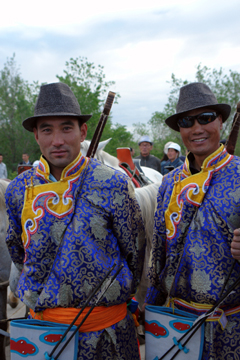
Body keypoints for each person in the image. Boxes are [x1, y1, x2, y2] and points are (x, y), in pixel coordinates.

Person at [5, 82, 146, 360]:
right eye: (47, 129)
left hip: (109, 333)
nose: (57, 140)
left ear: (82, 131)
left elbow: (135, 251)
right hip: (45, 333)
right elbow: (18, 252)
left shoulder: (113, 183)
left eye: (66, 128)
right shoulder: (18, 190)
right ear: (36, 135)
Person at [145, 82, 240, 359]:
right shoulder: (168, 183)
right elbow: (158, 256)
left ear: (221, 120)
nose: (197, 128)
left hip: (231, 328)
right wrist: (150, 309)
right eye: (187, 121)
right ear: (180, 130)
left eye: (206, 118)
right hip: (176, 327)